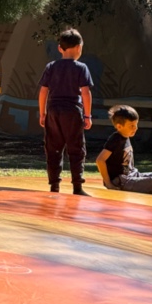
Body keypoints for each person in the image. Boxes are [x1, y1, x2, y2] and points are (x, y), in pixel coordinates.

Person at [38, 28, 93, 195]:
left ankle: (54, 185)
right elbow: (85, 93)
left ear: (60, 48)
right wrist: (87, 115)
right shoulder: (81, 68)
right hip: (72, 112)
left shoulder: (51, 66)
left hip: (53, 111)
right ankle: (77, 187)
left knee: (53, 148)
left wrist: (42, 113)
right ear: (79, 47)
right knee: (76, 148)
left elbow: (43, 91)